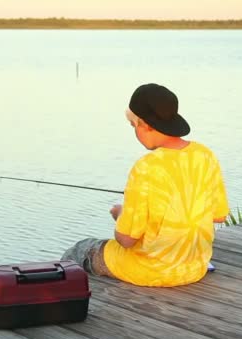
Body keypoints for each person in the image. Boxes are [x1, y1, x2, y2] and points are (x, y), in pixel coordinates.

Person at [62, 83, 229, 287]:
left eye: (134, 126)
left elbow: (126, 239)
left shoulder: (146, 167)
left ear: (145, 124)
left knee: (80, 250)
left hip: (150, 270)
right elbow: (219, 215)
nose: (135, 132)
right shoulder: (205, 155)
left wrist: (120, 214)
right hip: (195, 268)